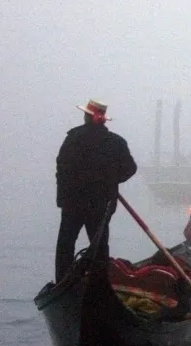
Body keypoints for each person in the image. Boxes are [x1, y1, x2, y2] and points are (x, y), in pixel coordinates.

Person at [55, 99, 137, 282]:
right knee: (99, 245)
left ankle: (62, 282)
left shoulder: (73, 138)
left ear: (87, 116)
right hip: (102, 204)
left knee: (66, 244)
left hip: (73, 203)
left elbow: (62, 169)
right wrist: (112, 180)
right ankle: (99, 282)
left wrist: (63, 200)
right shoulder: (117, 142)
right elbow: (130, 169)